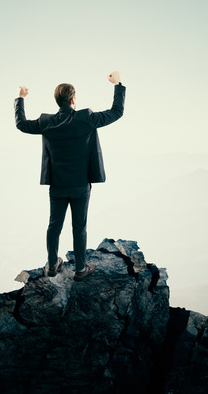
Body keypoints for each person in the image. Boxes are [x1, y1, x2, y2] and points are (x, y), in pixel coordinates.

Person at [14, 71, 125, 282]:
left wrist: (20, 98)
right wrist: (117, 84)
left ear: (57, 101)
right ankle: (81, 268)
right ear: (73, 99)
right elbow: (116, 111)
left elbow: (21, 124)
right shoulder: (87, 119)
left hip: (57, 185)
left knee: (54, 225)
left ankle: (52, 264)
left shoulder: (46, 122)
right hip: (81, 185)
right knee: (79, 226)